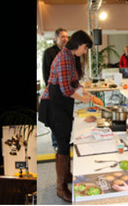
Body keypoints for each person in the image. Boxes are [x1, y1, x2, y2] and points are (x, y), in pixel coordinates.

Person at [38, 30, 97, 202]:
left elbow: (73, 82)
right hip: (54, 104)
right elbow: (65, 89)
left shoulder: (71, 57)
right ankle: (60, 187)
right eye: (85, 48)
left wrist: (82, 90)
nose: (85, 51)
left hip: (62, 103)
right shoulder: (63, 58)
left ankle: (66, 174)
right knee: (63, 144)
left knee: (65, 140)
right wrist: (83, 98)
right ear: (78, 44)